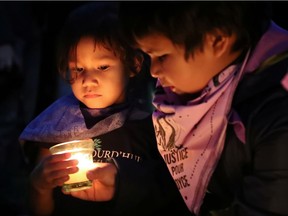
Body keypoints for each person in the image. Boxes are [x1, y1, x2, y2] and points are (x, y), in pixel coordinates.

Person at [116, 2, 288, 216]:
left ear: (217, 40)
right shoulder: (200, 84)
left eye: (162, 56)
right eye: (149, 57)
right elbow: (188, 178)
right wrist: (122, 182)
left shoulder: (277, 110)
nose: (154, 71)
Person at [19, 2, 189, 216]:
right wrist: (38, 187)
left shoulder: (153, 129)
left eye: (102, 67)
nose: (88, 80)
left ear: (134, 65)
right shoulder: (54, 128)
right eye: (78, 69)